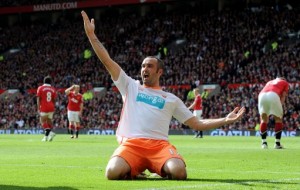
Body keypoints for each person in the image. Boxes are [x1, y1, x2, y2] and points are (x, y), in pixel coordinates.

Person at [81, 11, 245, 180]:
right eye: (143, 66)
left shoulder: (171, 99)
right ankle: (139, 169)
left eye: (150, 66)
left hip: (159, 146)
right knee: (112, 173)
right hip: (132, 145)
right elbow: (107, 61)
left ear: (159, 72)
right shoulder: (130, 86)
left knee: (179, 172)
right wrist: (92, 36)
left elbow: (197, 123)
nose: (145, 69)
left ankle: (154, 167)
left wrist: (225, 120)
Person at [258, 77, 289, 149]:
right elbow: (283, 96)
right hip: (273, 95)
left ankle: (264, 143)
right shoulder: (285, 83)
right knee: (278, 119)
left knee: (263, 119)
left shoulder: (269, 82)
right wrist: (280, 107)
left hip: (261, 95)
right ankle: (277, 143)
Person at [37, 76, 56, 142]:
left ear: (44, 81)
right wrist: (53, 106)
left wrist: (38, 108)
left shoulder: (40, 88)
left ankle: (50, 133)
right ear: (50, 82)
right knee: (48, 121)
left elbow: (38, 98)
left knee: (42, 121)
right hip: (51, 106)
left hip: (44, 107)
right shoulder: (53, 89)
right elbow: (54, 99)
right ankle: (46, 137)